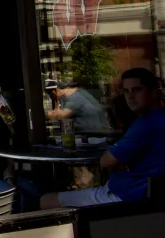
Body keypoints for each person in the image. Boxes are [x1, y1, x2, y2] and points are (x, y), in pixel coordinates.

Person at [43, 68, 165, 208]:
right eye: (126, 91)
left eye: (137, 90)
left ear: (154, 92)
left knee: (46, 200)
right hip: (140, 193)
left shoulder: (146, 124)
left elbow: (106, 162)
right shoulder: (156, 118)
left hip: (126, 196)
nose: (130, 97)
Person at [0, 80, 38, 210]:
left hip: (0, 172)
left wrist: (8, 176)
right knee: (13, 196)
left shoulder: (2, 120)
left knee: (35, 193)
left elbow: (6, 153)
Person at [46, 81, 110, 134]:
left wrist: (46, 114)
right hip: (89, 132)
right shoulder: (77, 93)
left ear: (56, 90)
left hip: (93, 135)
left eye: (51, 95)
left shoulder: (75, 97)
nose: (52, 98)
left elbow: (60, 116)